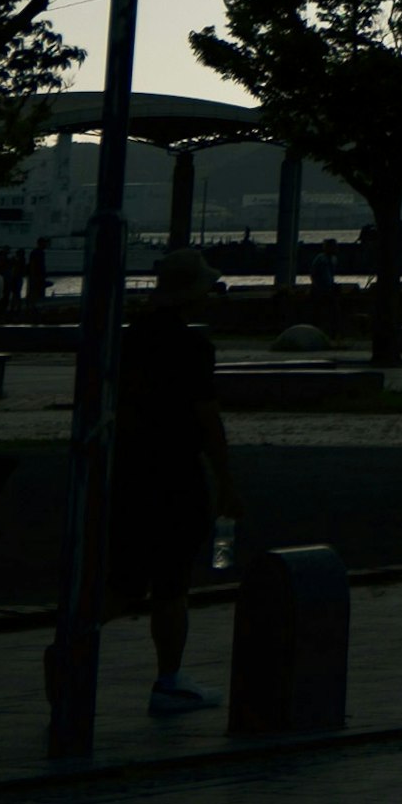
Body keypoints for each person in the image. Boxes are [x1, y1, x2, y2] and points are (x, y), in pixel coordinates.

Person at [103, 250, 235, 718]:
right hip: (177, 474)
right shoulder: (194, 349)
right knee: (173, 583)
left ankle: (72, 641)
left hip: (129, 472)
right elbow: (207, 419)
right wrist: (225, 478)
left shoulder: (129, 341)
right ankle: (169, 678)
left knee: (123, 578)